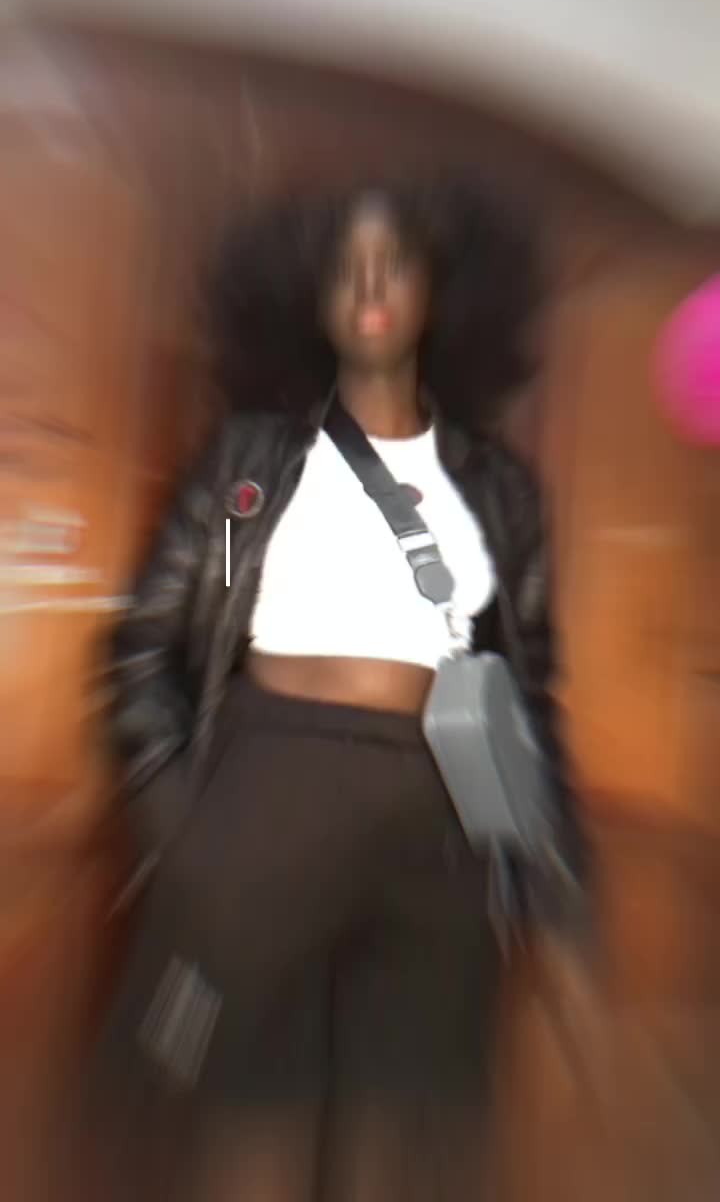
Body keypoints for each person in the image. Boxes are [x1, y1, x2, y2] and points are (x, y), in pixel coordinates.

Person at [78, 180, 585, 1202]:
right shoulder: (249, 470)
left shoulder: (499, 492)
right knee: (244, 1120)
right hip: (269, 790)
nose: (370, 284)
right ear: (308, 300)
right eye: (345, 266)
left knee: (397, 1133)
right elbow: (148, 646)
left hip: (442, 818)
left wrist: (557, 885)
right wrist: (181, 824)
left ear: (439, 295)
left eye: (395, 261)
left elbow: (529, 698)